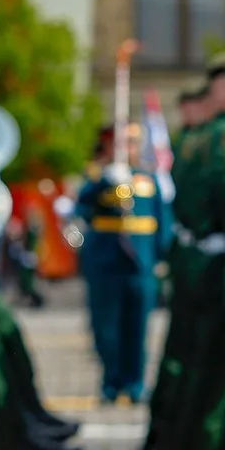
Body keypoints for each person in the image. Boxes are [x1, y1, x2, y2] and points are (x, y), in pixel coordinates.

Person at [75, 123, 169, 403]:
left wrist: (161, 257)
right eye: (120, 142)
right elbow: (80, 210)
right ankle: (111, 381)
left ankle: (136, 382)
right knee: (107, 327)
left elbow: (162, 220)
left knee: (138, 326)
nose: (126, 148)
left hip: (141, 263)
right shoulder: (97, 176)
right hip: (106, 262)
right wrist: (103, 182)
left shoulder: (148, 178)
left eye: (131, 142)